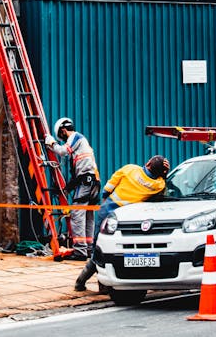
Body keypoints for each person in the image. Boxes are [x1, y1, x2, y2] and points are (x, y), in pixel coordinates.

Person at [74, 154, 170, 291]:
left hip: (108, 209)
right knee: (112, 249)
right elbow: (162, 194)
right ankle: (102, 285)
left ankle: (83, 282)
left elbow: (108, 187)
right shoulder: (158, 185)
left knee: (98, 247)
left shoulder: (130, 169)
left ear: (148, 163)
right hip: (127, 218)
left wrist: (105, 200)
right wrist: (164, 175)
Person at [45, 117, 101, 261]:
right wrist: (67, 188)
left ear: (63, 130)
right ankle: (89, 249)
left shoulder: (76, 137)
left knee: (77, 214)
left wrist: (51, 143)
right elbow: (79, 171)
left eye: (61, 136)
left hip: (86, 182)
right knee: (88, 216)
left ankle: (80, 251)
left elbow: (63, 151)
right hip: (93, 182)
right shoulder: (83, 143)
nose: (63, 139)